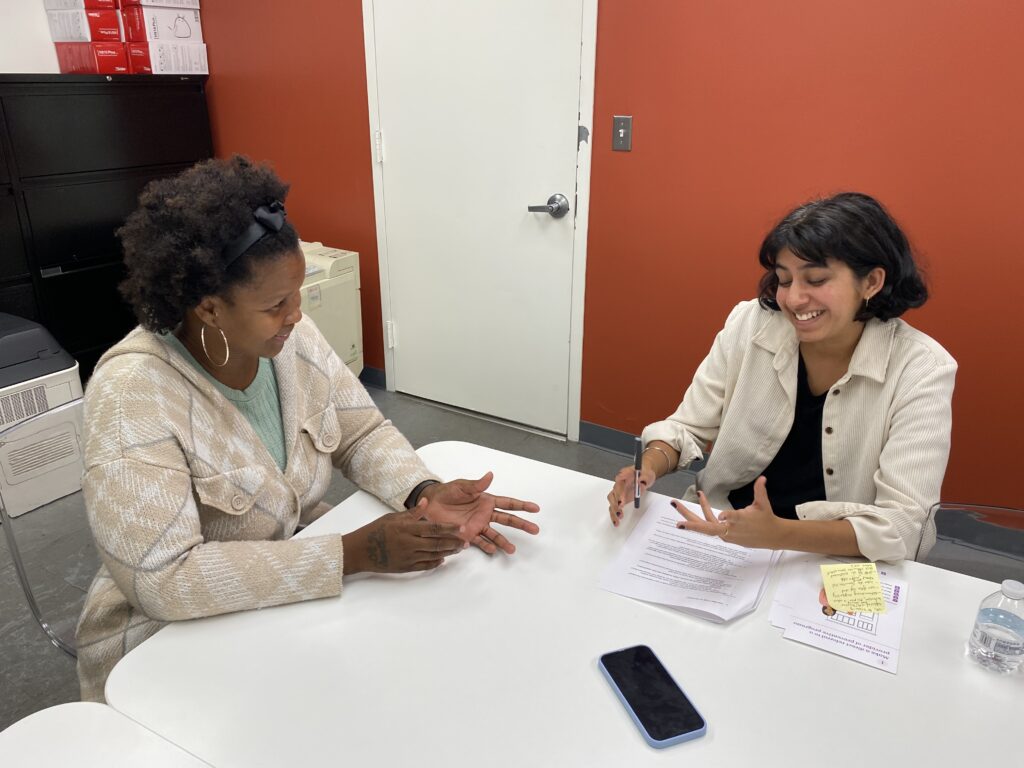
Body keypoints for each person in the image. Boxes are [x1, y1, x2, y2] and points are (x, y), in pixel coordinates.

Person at [76, 155, 539, 702]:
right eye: (276, 304)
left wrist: (423, 490)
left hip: (281, 597)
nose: (297, 316)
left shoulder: (287, 339)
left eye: (298, 294)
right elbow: (165, 578)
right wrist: (351, 554)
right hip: (163, 644)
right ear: (208, 308)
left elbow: (360, 433)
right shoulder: (132, 394)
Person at [607, 192, 955, 563]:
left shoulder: (922, 369)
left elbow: (903, 523)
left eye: (816, 279)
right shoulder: (751, 323)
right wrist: (650, 466)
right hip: (727, 528)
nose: (793, 299)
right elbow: (688, 428)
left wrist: (780, 534)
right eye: (783, 279)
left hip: (833, 553)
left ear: (871, 282)